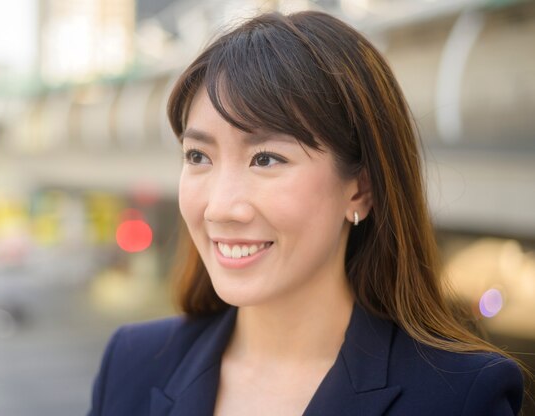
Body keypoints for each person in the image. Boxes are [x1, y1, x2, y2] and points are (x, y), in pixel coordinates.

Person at [89, 10, 524, 416]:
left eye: (266, 159)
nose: (220, 207)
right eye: (198, 156)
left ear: (361, 189)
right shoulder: (132, 364)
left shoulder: (459, 397)